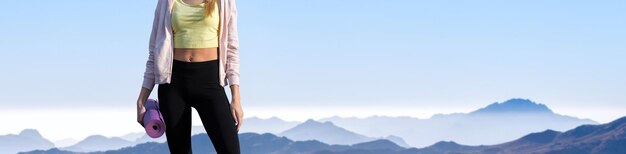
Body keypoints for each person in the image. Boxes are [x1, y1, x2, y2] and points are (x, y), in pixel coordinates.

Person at [135, 0, 243, 153]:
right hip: (173, 85)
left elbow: (232, 50)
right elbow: (154, 52)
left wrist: (236, 98)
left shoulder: (224, 1)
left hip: (210, 83)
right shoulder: (166, 2)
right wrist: (142, 99)